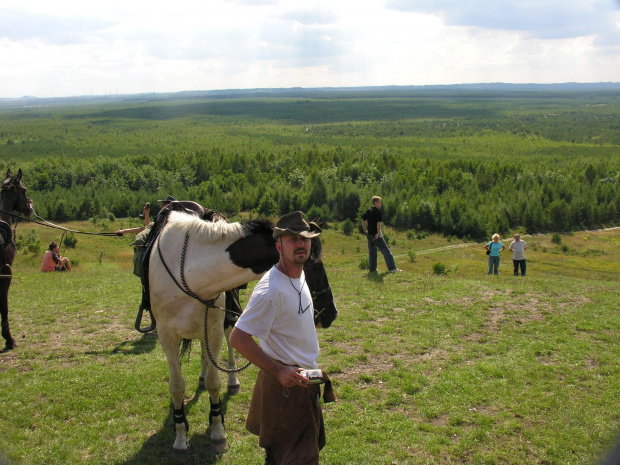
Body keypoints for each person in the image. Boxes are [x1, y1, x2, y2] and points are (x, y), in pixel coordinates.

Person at [229, 211, 334, 465]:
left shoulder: (299, 274)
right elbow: (238, 338)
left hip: (304, 382)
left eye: (305, 239)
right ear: (279, 246)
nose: (300, 244)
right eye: (292, 239)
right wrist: (278, 370)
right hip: (286, 389)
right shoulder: (270, 289)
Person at [361, 196, 401, 273]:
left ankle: (372, 270)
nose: (381, 204)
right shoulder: (377, 211)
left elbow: (363, 219)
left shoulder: (368, 210)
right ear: (375, 203)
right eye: (380, 202)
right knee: (386, 251)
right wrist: (378, 233)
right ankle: (392, 269)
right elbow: (379, 223)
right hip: (376, 235)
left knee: (372, 252)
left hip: (369, 235)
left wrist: (365, 229)